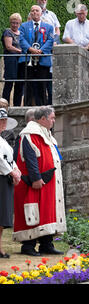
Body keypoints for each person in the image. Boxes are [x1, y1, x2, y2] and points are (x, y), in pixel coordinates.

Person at [13, 106, 66, 256]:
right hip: (35, 183)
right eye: (52, 118)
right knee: (33, 212)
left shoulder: (46, 134)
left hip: (48, 183)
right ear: (42, 119)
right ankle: (28, 246)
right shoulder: (29, 134)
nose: (54, 121)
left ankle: (46, 244)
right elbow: (29, 157)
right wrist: (36, 178)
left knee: (47, 213)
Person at [19, 5, 54, 106]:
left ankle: (43, 108)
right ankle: (27, 108)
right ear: (30, 13)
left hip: (42, 60)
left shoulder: (49, 27)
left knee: (42, 86)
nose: (34, 12)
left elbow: (50, 40)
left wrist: (41, 51)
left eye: (37, 10)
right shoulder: (24, 26)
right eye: (32, 11)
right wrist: (30, 49)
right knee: (28, 86)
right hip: (28, 60)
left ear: (41, 13)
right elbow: (21, 39)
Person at [0, 108, 21, 259]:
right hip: (0, 178)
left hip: (5, 179)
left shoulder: (3, 140)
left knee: (3, 216)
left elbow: (10, 158)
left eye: (4, 120)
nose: (3, 123)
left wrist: (16, 170)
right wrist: (11, 172)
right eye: (1, 120)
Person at [2, 13, 24, 107]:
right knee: (9, 83)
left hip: (21, 61)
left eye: (16, 23)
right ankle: (3, 105)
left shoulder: (21, 33)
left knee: (20, 84)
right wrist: (19, 50)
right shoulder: (7, 32)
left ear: (20, 23)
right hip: (11, 60)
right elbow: (8, 46)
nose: (14, 25)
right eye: (13, 23)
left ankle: (17, 106)